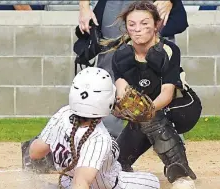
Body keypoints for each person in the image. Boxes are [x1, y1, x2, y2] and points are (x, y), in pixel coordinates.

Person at [27, 67, 160, 189]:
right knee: (154, 182)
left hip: (67, 184)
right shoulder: (100, 137)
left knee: (85, 174)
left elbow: (35, 152)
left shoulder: (63, 113)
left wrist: (51, 138)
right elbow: (81, 181)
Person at [101, 1, 202, 189]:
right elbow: (122, 87)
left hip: (181, 108)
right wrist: (124, 103)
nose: (137, 30)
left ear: (156, 25)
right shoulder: (121, 55)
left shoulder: (168, 50)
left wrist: (145, 110)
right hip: (148, 114)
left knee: (150, 118)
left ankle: (180, 176)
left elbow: (167, 93)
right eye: (132, 25)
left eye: (144, 24)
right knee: (117, 163)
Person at [78, 0, 189, 138]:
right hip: (116, 5)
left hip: (156, 2)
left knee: (163, 60)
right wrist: (84, 7)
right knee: (109, 64)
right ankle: (108, 135)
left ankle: (169, 134)